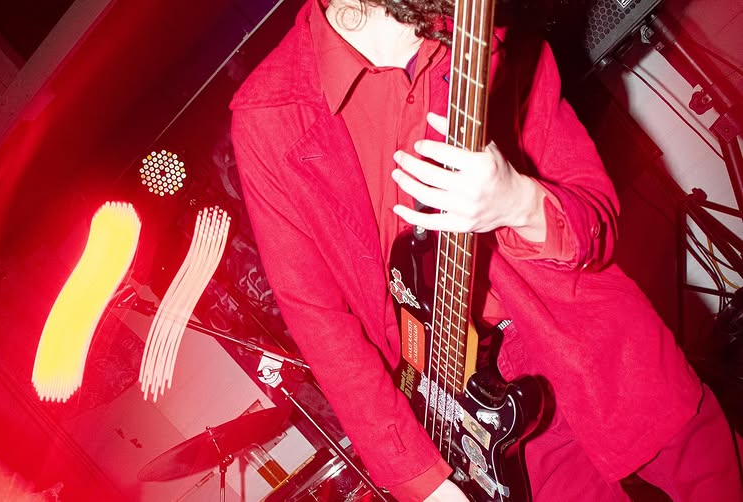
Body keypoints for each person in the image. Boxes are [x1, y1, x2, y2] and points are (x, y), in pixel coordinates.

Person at [229, 0, 743, 500]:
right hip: (466, 413)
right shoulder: (268, 118)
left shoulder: (479, 27)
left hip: (595, 343)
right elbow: (321, 325)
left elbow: (597, 220)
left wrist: (519, 202)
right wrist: (423, 483)